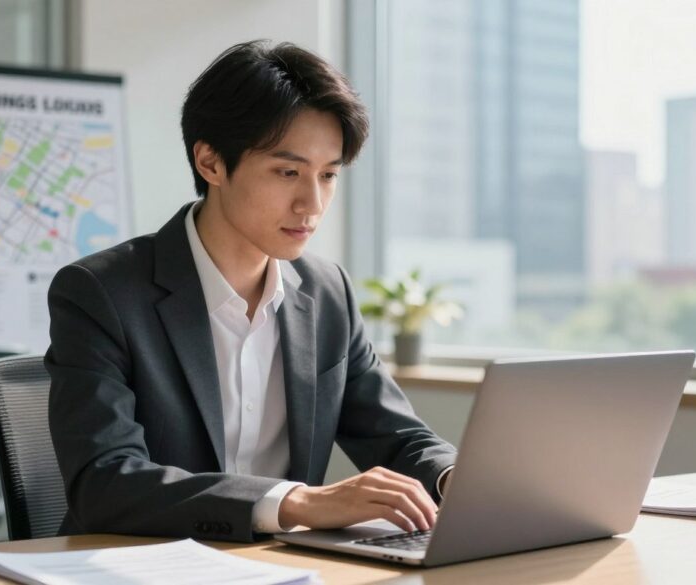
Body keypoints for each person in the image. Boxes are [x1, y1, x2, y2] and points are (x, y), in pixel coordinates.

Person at [46, 40, 457, 543]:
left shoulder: (328, 293)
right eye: (288, 172)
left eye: (328, 175)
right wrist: (296, 502)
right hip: (142, 565)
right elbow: (105, 482)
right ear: (211, 163)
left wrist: (455, 478)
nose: (312, 203)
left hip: (280, 568)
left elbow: (396, 436)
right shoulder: (100, 293)